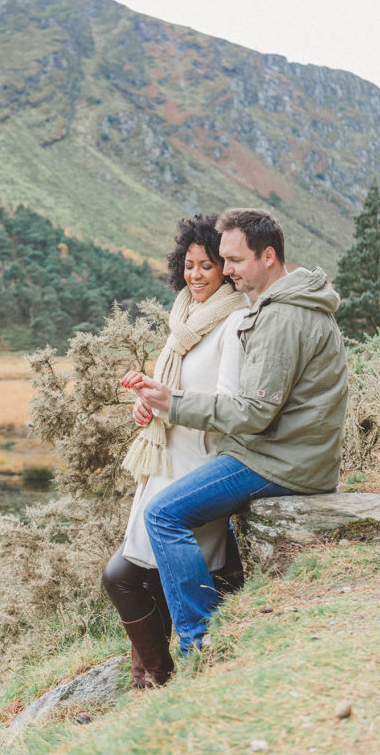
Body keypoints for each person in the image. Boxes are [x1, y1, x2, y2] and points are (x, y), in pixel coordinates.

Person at [122, 208, 349, 656]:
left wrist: (173, 403)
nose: (226, 271)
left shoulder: (282, 317)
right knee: (173, 511)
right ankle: (209, 626)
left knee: (164, 514)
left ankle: (199, 641)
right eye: (220, 260)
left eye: (234, 261)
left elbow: (254, 413)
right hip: (288, 452)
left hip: (282, 461)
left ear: (268, 256)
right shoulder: (281, 305)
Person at [102, 213, 248, 688]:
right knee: (141, 574)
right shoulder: (183, 318)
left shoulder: (235, 322)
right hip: (164, 461)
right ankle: (148, 679)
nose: (196, 275)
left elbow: (229, 405)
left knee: (121, 574)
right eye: (189, 264)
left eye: (207, 265)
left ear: (226, 268)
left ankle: (158, 677)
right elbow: (172, 393)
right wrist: (147, 404)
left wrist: (169, 403)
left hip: (199, 464)